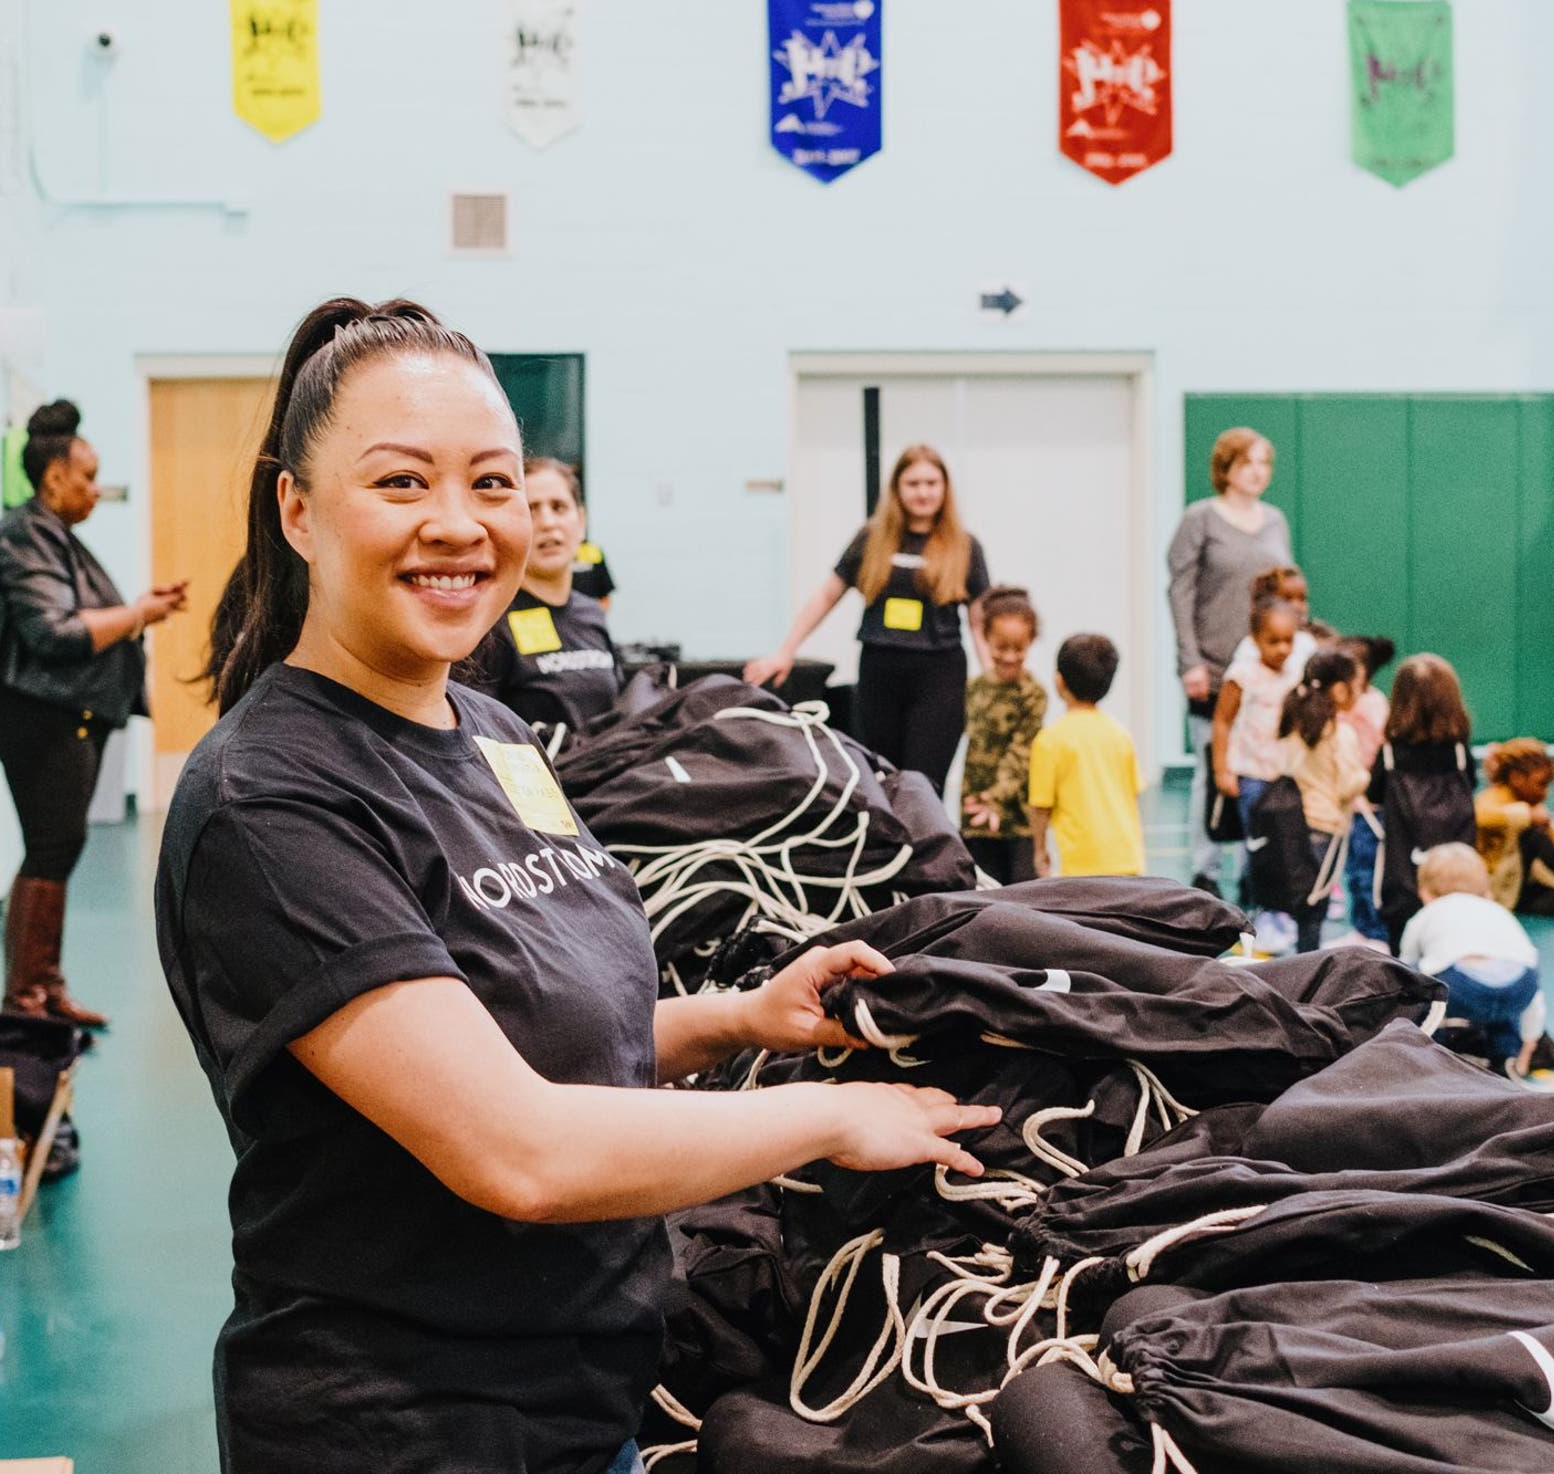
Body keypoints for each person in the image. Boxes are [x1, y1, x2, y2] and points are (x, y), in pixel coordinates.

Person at [156, 299, 1000, 1474]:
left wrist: (736, 1018)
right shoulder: (270, 803)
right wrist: (827, 1115)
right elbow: (518, 1147)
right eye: (401, 483)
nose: (457, 525)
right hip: (405, 1430)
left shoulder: (496, 737)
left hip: (582, 1402)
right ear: (296, 508)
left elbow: (529, 1031)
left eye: (491, 484)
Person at [0, 398, 187, 1027]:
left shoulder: (50, 537)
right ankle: (26, 999)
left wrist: (139, 606)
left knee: (57, 847)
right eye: (86, 477)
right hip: (38, 717)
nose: (94, 490)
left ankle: (44, 988)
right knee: (52, 847)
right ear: (54, 477)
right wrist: (139, 614)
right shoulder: (26, 537)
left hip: (59, 716)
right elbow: (55, 634)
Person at [745, 445, 991, 791]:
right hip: (880, 670)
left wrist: (995, 682)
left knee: (923, 783)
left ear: (945, 488)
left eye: (931, 483)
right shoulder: (872, 538)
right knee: (880, 778)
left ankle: (925, 843)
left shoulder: (965, 546)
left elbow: (980, 625)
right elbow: (826, 595)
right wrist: (785, 651)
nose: (923, 492)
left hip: (940, 674)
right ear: (897, 489)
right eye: (913, 483)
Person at [1166, 428, 1294, 894]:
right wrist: (1189, 662)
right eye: (1248, 463)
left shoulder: (1276, 521)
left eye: (1265, 463)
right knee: (1212, 770)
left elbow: (1286, 593)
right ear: (1226, 468)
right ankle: (1206, 872)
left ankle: (1254, 869)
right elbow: (1179, 592)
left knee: (1259, 770)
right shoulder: (1200, 519)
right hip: (1215, 668)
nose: (1257, 472)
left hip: (1266, 671)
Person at [458, 457, 621, 748]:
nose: (548, 522)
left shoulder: (591, 613)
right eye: (533, 510)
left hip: (609, 781)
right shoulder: (490, 619)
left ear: (580, 521)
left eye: (558, 507)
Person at [1398, 844, 1546, 1078]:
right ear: (1487, 890)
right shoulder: (1499, 912)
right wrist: (1530, 1042)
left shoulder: (1426, 914)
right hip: (1520, 986)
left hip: (1462, 987)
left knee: (1414, 979)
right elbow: (1533, 986)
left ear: (1424, 893)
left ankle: (1426, 1052)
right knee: (1503, 999)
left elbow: (1404, 970)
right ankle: (1506, 1057)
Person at [1211, 596, 1303, 945]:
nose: (1282, 649)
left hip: (1285, 775)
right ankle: (1256, 908)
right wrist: (1223, 770)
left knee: (1286, 845)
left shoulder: (1296, 673)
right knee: (1259, 846)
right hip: (1251, 774)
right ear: (1254, 639)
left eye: (1288, 641)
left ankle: (1280, 909)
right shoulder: (1242, 676)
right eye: (1273, 641)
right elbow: (1222, 722)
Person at [1369, 654, 1478, 948]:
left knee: (1401, 946)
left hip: (1403, 875)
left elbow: (1373, 794)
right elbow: (1473, 785)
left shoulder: (1390, 754)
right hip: (1455, 875)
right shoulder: (1457, 752)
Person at [1028, 633, 1145, 879]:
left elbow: (1041, 806)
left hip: (1079, 867)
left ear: (1059, 681)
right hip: (1127, 859)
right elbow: (1133, 796)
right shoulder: (1120, 734)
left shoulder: (1050, 740)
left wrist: (1039, 852)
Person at [1277, 649, 1368, 953]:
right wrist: (1367, 776)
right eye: (1357, 685)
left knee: (1305, 908)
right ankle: (1308, 971)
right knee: (1316, 908)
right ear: (1341, 689)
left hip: (1295, 823)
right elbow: (1346, 786)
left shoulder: (1295, 723)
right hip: (1326, 826)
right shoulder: (1339, 734)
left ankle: (1301, 962)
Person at [959, 586, 1047, 885]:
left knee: (1023, 894)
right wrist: (979, 802)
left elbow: (1021, 754)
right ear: (985, 638)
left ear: (1031, 640)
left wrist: (995, 798)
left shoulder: (1032, 694)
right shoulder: (974, 689)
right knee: (983, 891)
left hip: (1018, 818)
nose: (1010, 657)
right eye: (1001, 647)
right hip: (977, 814)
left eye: (1018, 648)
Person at [1475, 739, 1554, 917]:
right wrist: (1528, 815)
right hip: (1494, 888)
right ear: (1517, 778)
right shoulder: (1492, 799)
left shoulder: (1527, 805)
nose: (1544, 792)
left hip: (1518, 883)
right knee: (1534, 836)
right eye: (1541, 784)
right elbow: (1481, 816)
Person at [1337, 634, 1396, 942]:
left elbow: (1378, 752)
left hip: (1368, 807)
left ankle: (1374, 932)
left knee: (1367, 870)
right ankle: (1361, 927)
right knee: (1353, 870)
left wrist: (1366, 788)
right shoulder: (1342, 705)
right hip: (1348, 803)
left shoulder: (1371, 705)